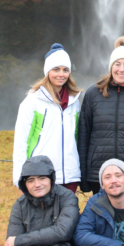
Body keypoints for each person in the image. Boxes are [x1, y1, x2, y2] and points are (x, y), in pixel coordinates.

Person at [78, 36, 124, 194]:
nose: (121, 69)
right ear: (111, 66)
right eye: (117, 64)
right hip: (100, 174)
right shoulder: (93, 94)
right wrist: (83, 175)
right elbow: (83, 136)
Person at [12, 44, 82, 191]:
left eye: (65, 70)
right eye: (56, 69)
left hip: (70, 176)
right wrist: (20, 177)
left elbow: (76, 138)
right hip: (42, 176)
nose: (61, 74)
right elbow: (21, 141)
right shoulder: (33, 101)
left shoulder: (74, 102)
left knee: (68, 214)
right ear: (47, 71)